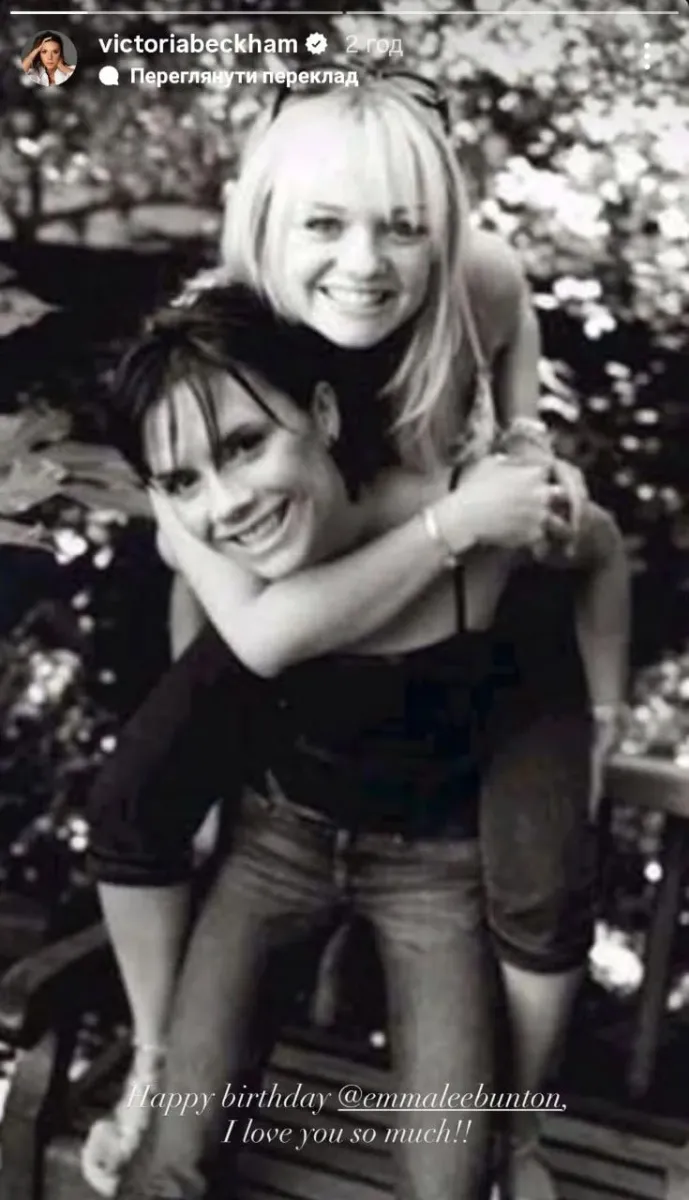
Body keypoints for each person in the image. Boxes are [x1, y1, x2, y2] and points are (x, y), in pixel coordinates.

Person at [86, 77, 628, 1200]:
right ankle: (151, 1066)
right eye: (325, 223)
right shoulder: (222, 370)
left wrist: (523, 437)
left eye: (402, 226)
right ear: (269, 226)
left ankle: (515, 1138)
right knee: (135, 798)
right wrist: (447, 524)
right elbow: (249, 632)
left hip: (429, 833)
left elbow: (582, 521)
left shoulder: (465, 326)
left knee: (529, 914)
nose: (365, 260)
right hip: (283, 786)